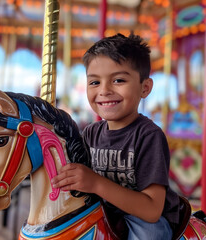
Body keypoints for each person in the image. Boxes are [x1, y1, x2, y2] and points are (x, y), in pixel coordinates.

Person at [51, 33, 179, 240]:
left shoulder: (148, 136)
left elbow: (152, 210)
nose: (104, 91)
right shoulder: (91, 133)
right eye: (94, 83)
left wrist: (95, 184)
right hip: (101, 209)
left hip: (140, 219)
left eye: (118, 80)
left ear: (145, 88)